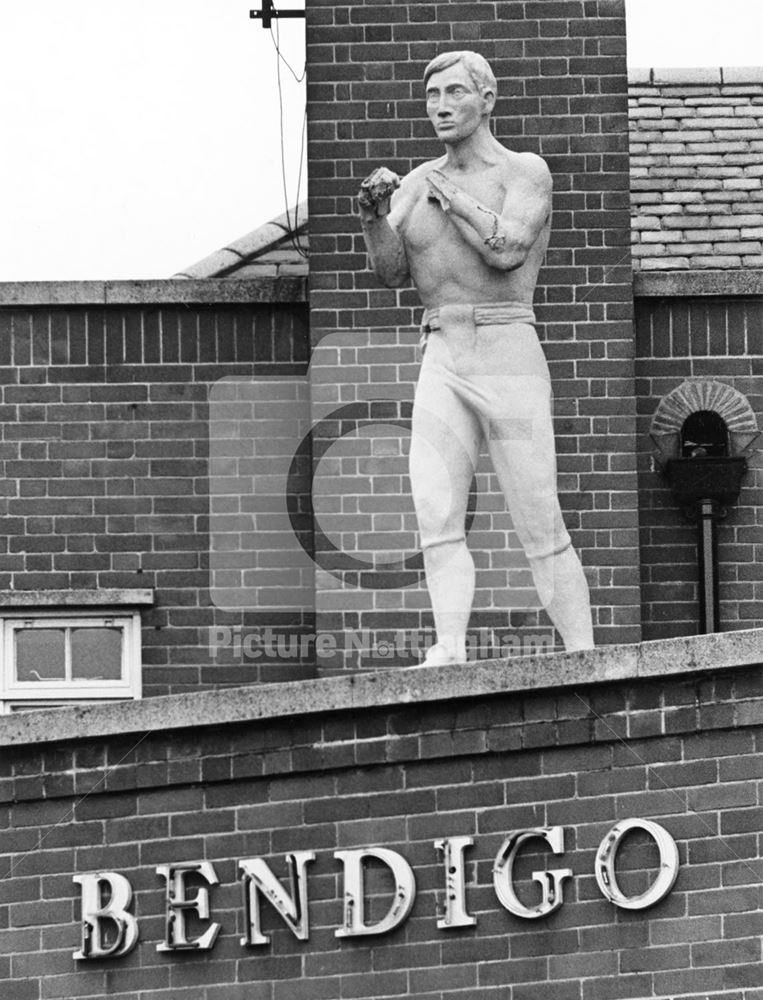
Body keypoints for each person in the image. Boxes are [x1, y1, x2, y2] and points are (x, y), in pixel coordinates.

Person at [356, 50, 594, 665]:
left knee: (539, 516)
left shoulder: (524, 171)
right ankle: (451, 647)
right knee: (435, 510)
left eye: (455, 92)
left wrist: (453, 197)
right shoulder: (414, 182)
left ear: (486, 99)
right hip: (442, 347)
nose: (440, 105)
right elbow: (388, 271)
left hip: (506, 343)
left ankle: (585, 656)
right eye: (432, 94)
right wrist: (373, 216)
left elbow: (508, 248)